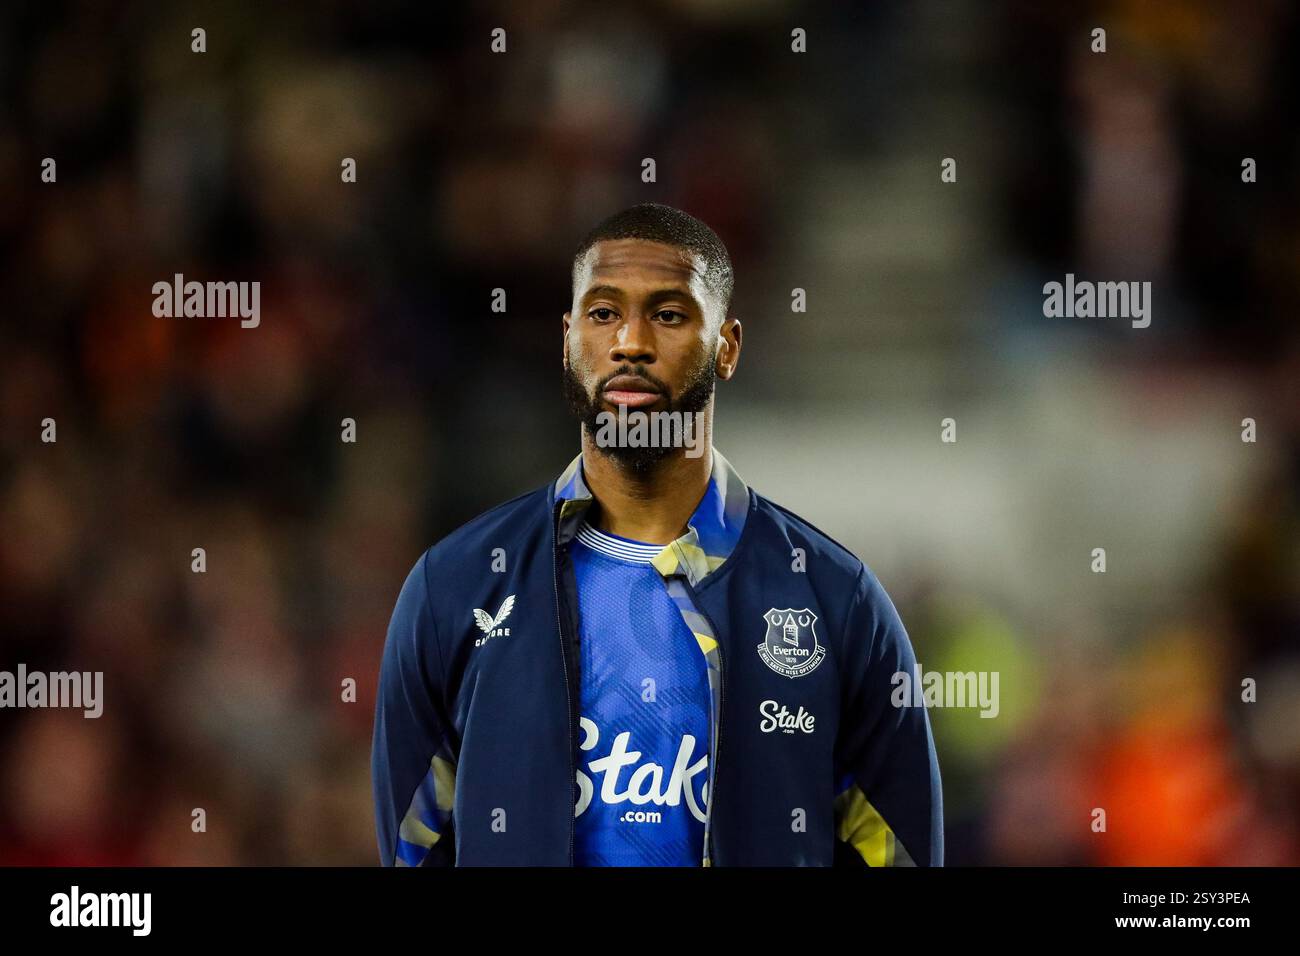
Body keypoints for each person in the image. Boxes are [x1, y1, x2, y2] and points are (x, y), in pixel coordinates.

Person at [372, 202, 942, 866]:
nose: (630, 343)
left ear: (726, 347)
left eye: (668, 315)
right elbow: (412, 849)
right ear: (567, 339)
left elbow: (897, 854)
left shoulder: (836, 600)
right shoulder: (454, 587)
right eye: (604, 313)